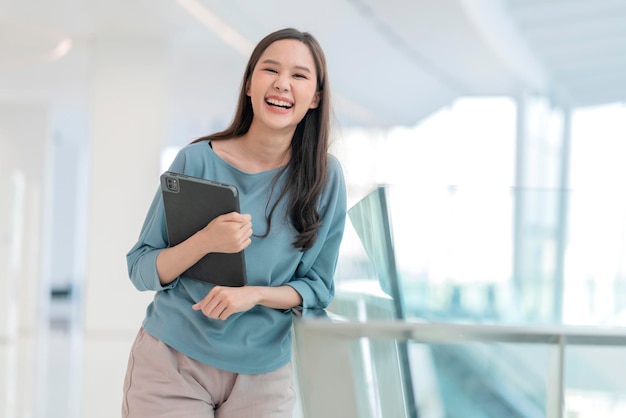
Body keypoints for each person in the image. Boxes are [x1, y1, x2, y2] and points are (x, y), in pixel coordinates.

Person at [121, 27, 347, 418]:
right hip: (172, 362)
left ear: (316, 97)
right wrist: (206, 240)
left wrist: (254, 294)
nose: (282, 84)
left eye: (299, 75)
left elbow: (317, 287)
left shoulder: (324, 179)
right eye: (270, 70)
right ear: (248, 84)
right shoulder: (195, 162)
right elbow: (140, 268)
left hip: (264, 378)